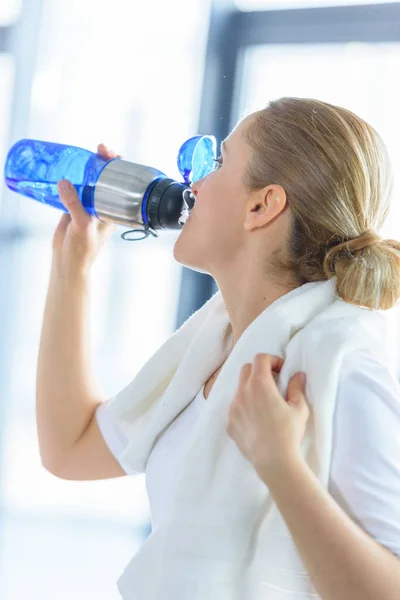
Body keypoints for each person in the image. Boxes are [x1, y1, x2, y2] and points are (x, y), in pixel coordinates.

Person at [36, 98, 400, 587]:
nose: (193, 183)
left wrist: (281, 466)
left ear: (261, 205)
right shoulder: (212, 348)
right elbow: (69, 448)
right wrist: (72, 268)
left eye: (220, 161)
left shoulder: (343, 370)